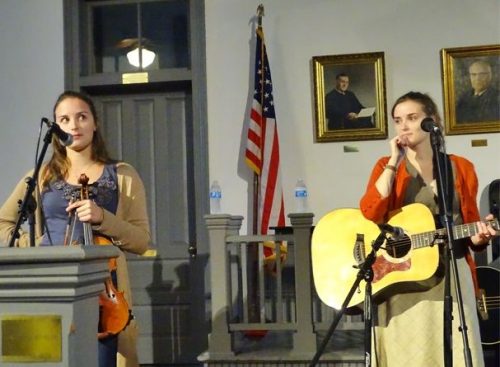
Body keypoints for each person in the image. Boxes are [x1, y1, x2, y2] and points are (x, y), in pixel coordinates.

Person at [0, 90, 151, 367]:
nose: (74, 125)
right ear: (56, 129)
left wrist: (103, 217)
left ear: (95, 123)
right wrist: (30, 244)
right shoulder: (40, 176)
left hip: (103, 294)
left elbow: (141, 241)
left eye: (82, 117)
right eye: (65, 119)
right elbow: (3, 221)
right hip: (50, 283)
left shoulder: (122, 175)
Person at [359, 91, 496, 366]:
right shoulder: (387, 167)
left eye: (412, 118)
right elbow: (370, 213)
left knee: (457, 351)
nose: (404, 126)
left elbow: (469, 228)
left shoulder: (460, 167)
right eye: (398, 120)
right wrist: (392, 162)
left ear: (432, 121)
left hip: (452, 270)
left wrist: (480, 236)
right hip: (405, 277)